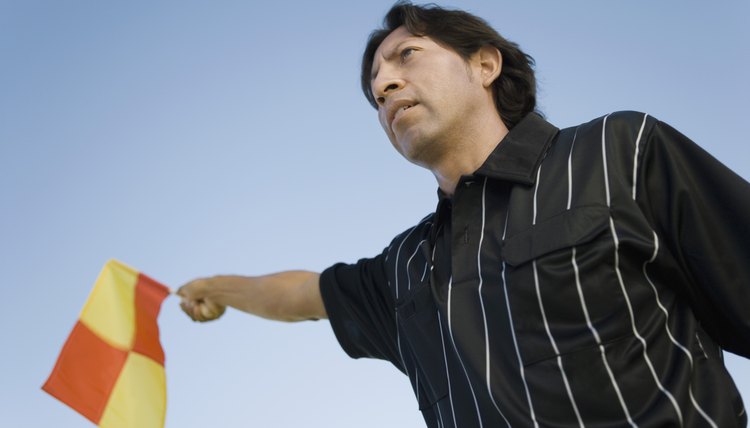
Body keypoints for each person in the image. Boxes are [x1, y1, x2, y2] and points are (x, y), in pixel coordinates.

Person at [178, 2, 750, 427]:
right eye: (376, 90)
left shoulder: (619, 153)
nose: (386, 84)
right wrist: (216, 288)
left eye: (406, 56)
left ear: (484, 65)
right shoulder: (406, 268)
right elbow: (307, 295)